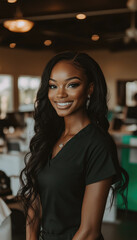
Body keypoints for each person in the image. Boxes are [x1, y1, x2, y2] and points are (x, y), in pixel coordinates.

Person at [19, 52, 129, 240]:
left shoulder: (97, 144)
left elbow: (89, 232)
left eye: (72, 84)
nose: (60, 94)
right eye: (53, 86)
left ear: (90, 89)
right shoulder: (48, 138)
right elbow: (34, 202)